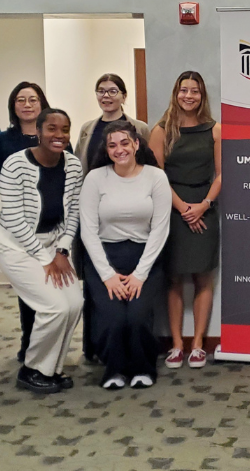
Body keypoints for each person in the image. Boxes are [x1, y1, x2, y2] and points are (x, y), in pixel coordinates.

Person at [0, 108, 83, 394]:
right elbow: (16, 220)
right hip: (16, 247)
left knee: (74, 303)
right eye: (52, 129)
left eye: (65, 129)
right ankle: (32, 369)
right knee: (54, 307)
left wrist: (62, 251)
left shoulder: (73, 165)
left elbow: (73, 214)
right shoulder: (14, 164)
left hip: (53, 245)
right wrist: (46, 259)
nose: (59, 135)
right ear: (39, 132)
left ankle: (52, 369)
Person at [81, 121, 171, 389]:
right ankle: (114, 370)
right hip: (104, 258)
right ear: (106, 150)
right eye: (112, 145)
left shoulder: (156, 177)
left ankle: (144, 369)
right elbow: (88, 230)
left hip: (145, 258)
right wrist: (107, 275)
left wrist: (140, 274)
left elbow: (160, 228)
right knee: (113, 317)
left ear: (136, 144)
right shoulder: (95, 179)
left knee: (137, 316)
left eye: (124, 143)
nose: (119, 149)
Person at [0, 81, 67, 364]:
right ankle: (28, 342)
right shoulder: (1, 141)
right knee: (29, 292)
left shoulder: (53, 136)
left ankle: (49, 346)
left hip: (51, 225)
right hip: (20, 224)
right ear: (13, 106)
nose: (27, 104)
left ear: (42, 104)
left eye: (33, 99)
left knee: (54, 293)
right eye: (20, 100)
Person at [148, 71, 221, 369]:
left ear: (202, 96)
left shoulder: (215, 129)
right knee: (174, 278)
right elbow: (156, 176)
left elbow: (222, 174)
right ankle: (177, 344)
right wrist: (182, 208)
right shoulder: (161, 130)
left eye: (195, 91)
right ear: (175, 94)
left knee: (203, 276)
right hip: (171, 210)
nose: (188, 96)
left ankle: (199, 343)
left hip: (205, 208)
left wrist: (202, 206)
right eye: (183, 90)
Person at [75, 73, 150, 360]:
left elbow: (147, 166)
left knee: (129, 289)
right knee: (95, 285)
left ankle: (130, 348)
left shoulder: (139, 128)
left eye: (113, 91)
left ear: (123, 95)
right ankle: (95, 348)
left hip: (130, 216)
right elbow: (81, 168)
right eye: (101, 91)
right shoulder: (87, 129)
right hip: (94, 213)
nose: (107, 96)